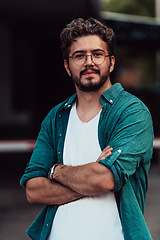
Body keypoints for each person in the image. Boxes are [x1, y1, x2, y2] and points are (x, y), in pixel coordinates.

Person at [20, 17, 154, 240]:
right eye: (79, 56)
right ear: (67, 66)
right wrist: (90, 176)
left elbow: (105, 179)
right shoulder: (56, 117)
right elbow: (33, 189)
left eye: (97, 54)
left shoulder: (132, 112)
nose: (88, 62)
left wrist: (55, 171)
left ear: (111, 63)